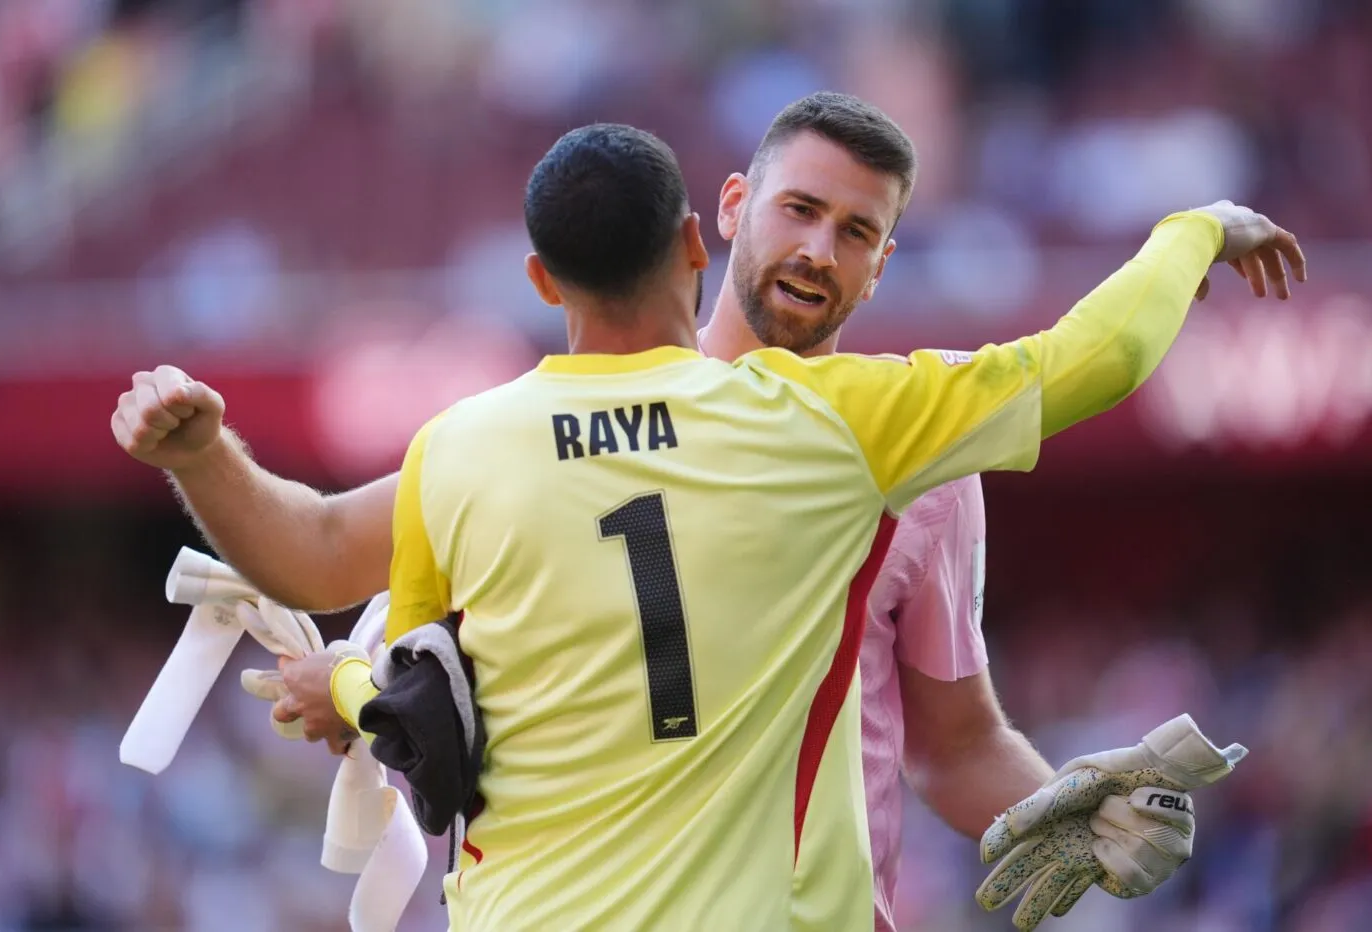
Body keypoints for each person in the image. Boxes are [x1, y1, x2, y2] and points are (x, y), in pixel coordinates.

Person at [111, 98, 1304, 930]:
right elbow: (1088, 356)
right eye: (798, 211)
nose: (817, 251)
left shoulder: (475, 444)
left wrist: (1055, 804)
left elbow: (949, 739)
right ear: (716, 219)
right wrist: (1188, 227)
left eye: (856, 232)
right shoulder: (851, 432)